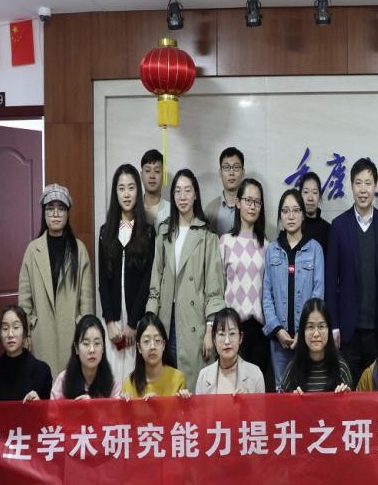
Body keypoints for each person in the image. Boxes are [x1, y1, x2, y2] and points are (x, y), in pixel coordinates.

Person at [146, 168, 226, 390]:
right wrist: (150, 320)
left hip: (194, 321)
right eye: (178, 191)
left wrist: (210, 329)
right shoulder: (164, 232)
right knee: (164, 386)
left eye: (187, 190)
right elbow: (155, 282)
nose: (182, 196)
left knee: (191, 387)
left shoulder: (207, 235)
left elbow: (214, 287)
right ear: (172, 196)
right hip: (165, 318)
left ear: (195, 194)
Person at [325, 158, 378, 384]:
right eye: (358, 183)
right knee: (349, 388)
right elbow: (331, 280)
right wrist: (334, 325)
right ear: (351, 186)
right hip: (349, 330)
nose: (363, 189)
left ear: (375, 186)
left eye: (368, 183)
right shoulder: (339, 226)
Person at [18, 183, 95, 377]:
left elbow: (86, 299)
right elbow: (25, 297)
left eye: (61, 208)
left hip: (72, 333)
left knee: (72, 386)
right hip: (41, 333)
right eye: (50, 208)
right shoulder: (33, 250)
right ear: (44, 213)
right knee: (43, 384)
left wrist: (86, 334)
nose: (55, 214)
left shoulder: (79, 249)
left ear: (68, 213)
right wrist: (26, 332)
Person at [98, 164, 156, 383]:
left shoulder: (148, 232)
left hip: (137, 321)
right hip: (113, 322)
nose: (126, 194)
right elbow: (103, 281)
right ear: (115, 193)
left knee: (136, 379)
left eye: (131, 188)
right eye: (121, 188)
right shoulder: (105, 232)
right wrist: (109, 321)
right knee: (113, 379)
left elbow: (147, 280)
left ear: (137, 191)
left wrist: (133, 323)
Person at [263, 189, 325, 386]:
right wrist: (277, 329)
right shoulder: (272, 250)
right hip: (279, 340)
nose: (291, 216)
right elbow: (266, 295)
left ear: (303, 215)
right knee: (282, 390)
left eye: (296, 210)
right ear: (280, 216)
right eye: (285, 211)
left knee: (307, 389)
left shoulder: (314, 249)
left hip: (307, 338)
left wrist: (303, 330)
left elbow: (318, 295)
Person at [220, 178, 271, 384]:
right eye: (248, 200)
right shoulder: (225, 242)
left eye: (257, 202)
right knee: (231, 387)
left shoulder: (266, 245)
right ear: (238, 202)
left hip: (259, 329)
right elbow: (218, 286)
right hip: (232, 328)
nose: (252, 206)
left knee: (255, 389)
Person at [281, 298, 353, 393]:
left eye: (321, 326)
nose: (316, 334)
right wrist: (290, 399)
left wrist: (346, 396)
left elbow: (352, 402)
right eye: (310, 327)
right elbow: (279, 401)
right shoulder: (293, 369)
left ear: (329, 330)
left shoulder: (341, 367)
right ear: (303, 332)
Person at [0, 305, 52, 402]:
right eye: (5, 328)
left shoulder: (42, 371)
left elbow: (48, 409)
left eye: (16, 327)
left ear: (24, 332)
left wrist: (39, 404)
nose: (10, 334)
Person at [195, 307, 266, 394]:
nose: (227, 341)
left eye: (232, 333)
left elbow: (261, 404)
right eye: (221, 334)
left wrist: (249, 399)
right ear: (214, 339)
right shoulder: (204, 376)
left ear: (240, 338)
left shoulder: (255, 374)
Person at [50, 315, 120, 399]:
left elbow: (117, 407)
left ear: (103, 348)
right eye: (86, 344)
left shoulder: (112, 384)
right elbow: (53, 407)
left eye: (97, 343)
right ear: (76, 348)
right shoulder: (63, 380)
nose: (92, 350)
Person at [121, 313, 186, 399]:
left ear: (163, 345)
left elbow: (182, 408)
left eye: (157, 340)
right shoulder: (129, 383)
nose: (152, 346)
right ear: (139, 347)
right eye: (146, 341)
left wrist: (158, 404)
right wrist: (123, 405)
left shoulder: (177, 378)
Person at [204, 146, 245, 236]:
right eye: (226, 167)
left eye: (236, 167)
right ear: (220, 173)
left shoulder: (250, 206)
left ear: (243, 172)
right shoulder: (210, 210)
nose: (231, 173)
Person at [300, 172, 331, 253]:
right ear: (300, 195)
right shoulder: (294, 227)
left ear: (319, 196)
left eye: (314, 192)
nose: (310, 198)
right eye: (306, 192)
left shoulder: (328, 230)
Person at [140, 149, 169, 226]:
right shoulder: (132, 210)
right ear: (141, 175)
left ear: (163, 176)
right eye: (147, 170)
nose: (152, 176)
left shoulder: (172, 211)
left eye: (157, 171)